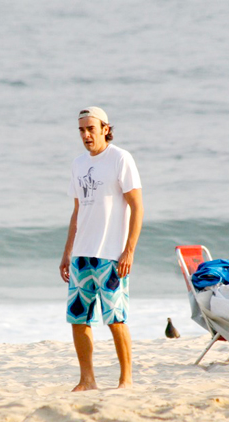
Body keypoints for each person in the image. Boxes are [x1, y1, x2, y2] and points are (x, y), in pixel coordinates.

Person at [59, 106, 143, 392]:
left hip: (111, 253)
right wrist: (67, 252)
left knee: (115, 318)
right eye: (81, 130)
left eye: (90, 129)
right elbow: (76, 212)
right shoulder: (78, 164)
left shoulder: (120, 158)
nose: (85, 135)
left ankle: (126, 379)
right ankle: (87, 379)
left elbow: (137, 206)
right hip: (82, 254)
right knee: (78, 318)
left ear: (106, 128)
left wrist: (129, 250)